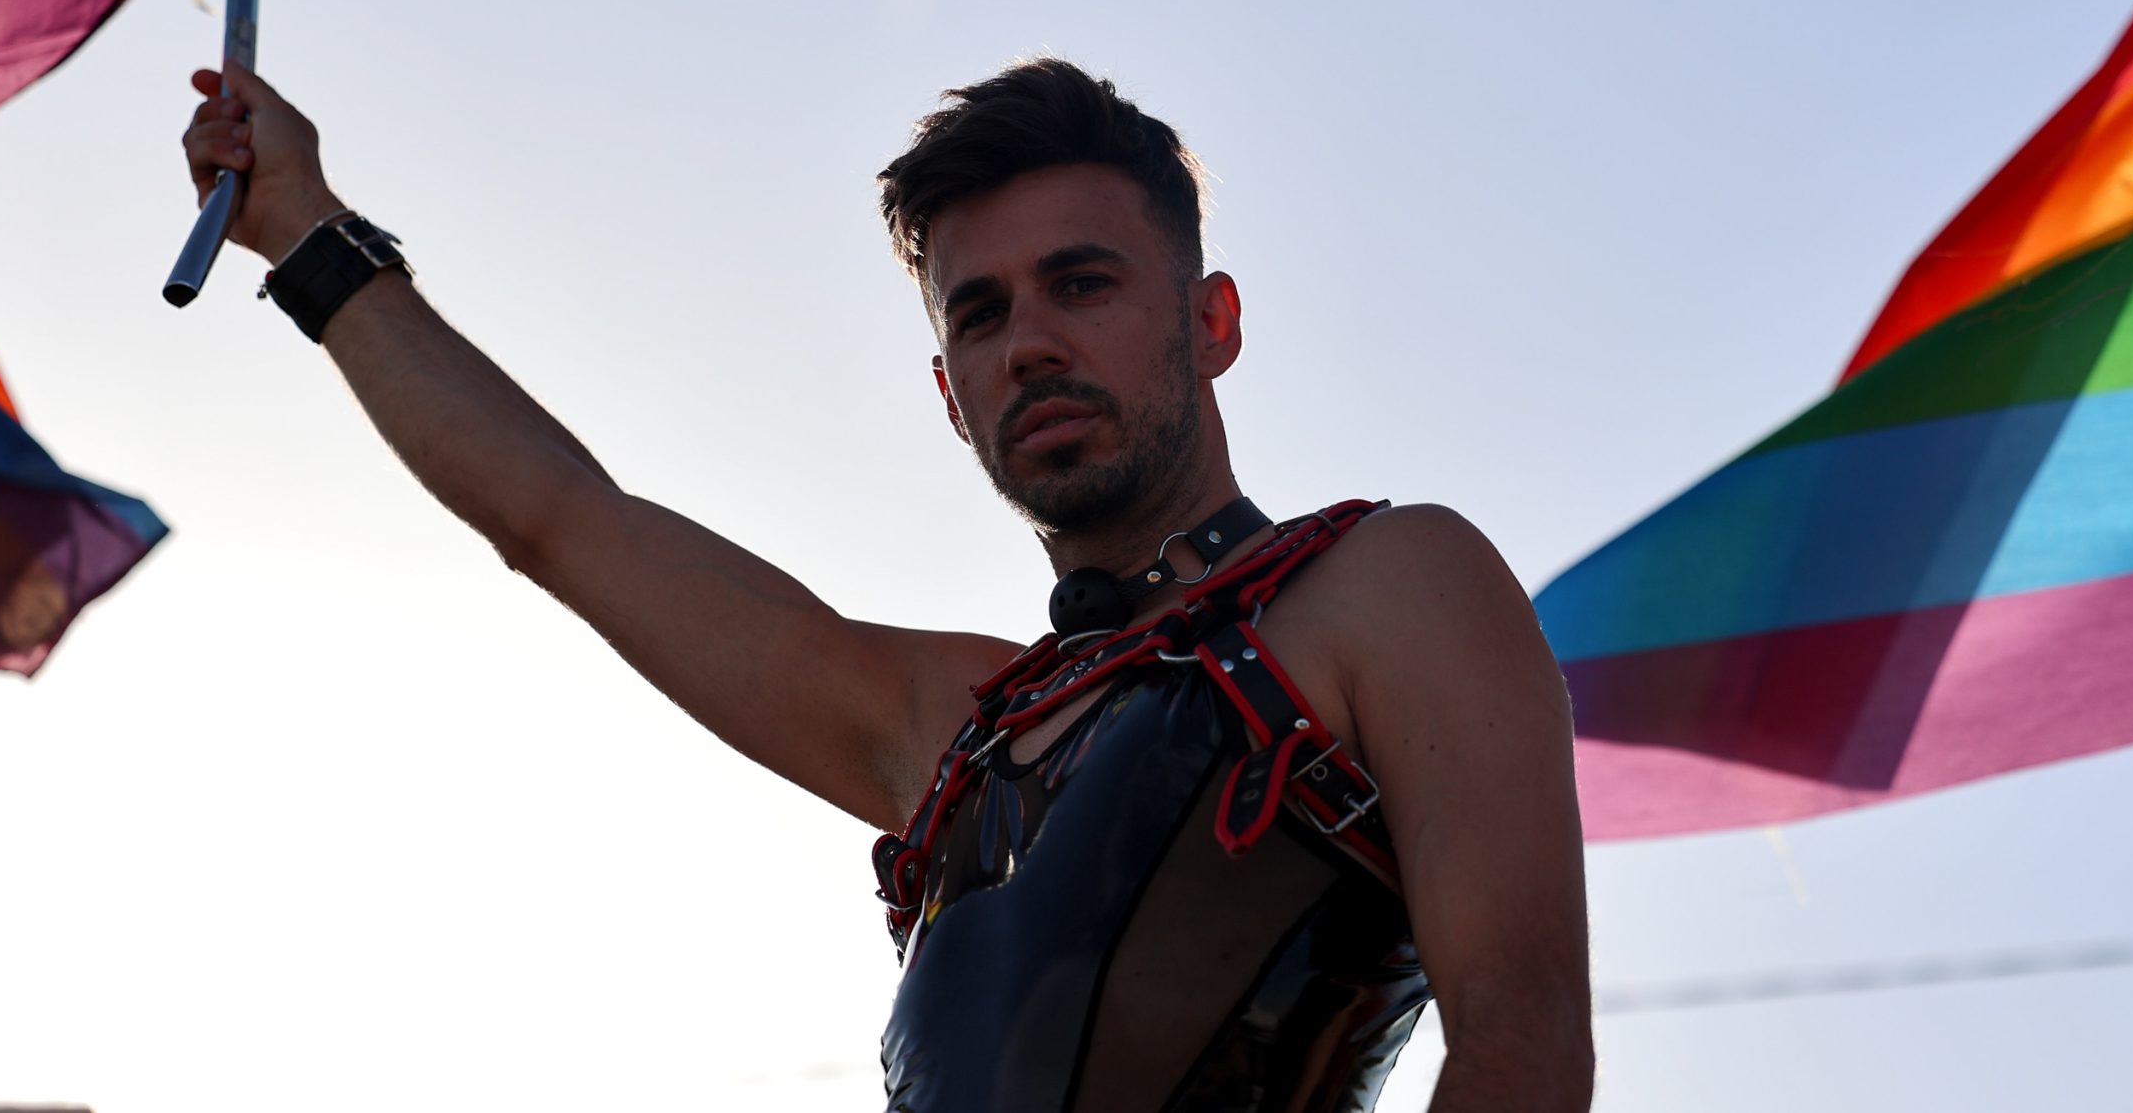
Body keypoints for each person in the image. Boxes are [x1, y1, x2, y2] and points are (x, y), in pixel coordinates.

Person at [182, 55, 1593, 1111]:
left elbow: (1523, 1043)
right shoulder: (953, 727)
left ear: (1211, 320)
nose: (1027, 343)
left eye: (1082, 285)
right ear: (948, 393)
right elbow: (563, 522)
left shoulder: (1392, 583)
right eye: (981, 314)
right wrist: (307, 232)